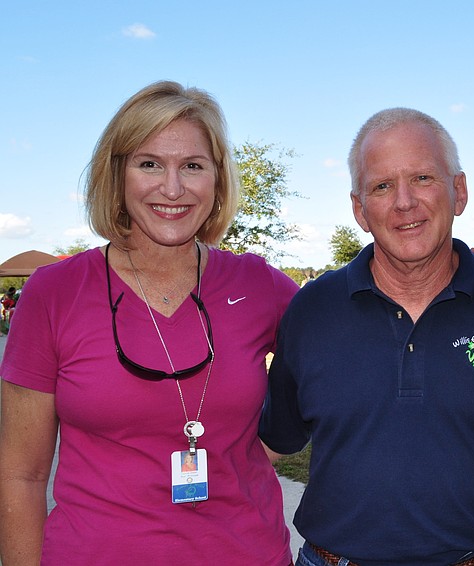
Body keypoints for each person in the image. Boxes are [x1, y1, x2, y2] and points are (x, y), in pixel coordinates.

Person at [0, 81, 300, 565]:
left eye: (193, 166)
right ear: (116, 174)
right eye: (149, 163)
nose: (173, 187)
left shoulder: (260, 285)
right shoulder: (53, 293)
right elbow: (21, 475)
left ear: (217, 180)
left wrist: (264, 449)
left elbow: (340, 355)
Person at [260, 107, 474, 566]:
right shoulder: (313, 309)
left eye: (422, 178)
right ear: (360, 209)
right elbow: (270, 444)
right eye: (381, 186)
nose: (403, 202)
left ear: (459, 191)